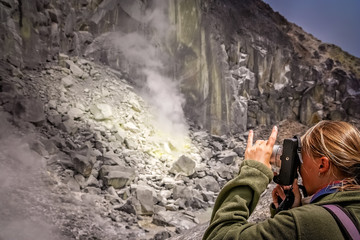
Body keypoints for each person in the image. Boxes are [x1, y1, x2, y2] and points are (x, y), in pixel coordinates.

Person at [202, 120, 360, 240]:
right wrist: (292, 211)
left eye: (300, 156)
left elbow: (218, 235)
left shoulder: (306, 222)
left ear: (322, 164)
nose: (297, 167)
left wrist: (253, 171)